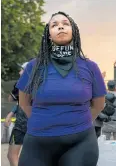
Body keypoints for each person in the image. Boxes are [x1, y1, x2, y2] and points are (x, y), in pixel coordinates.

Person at [16, 11, 106, 166]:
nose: (60, 27)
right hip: (37, 144)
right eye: (54, 25)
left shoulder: (90, 67)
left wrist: (77, 123)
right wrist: (43, 121)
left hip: (80, 142)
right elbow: (24, 102)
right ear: (49, 35)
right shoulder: (33, 67)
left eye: (65, 24)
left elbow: (99, 105)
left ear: (74, 31)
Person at [4, 62, 28, 166]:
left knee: (11, 155)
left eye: (22, 69)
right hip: (36, 123)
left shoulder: (21, 83)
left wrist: (13, 92)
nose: (19, 71)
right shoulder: (42, 82)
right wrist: (11, 113)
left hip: (22, 124)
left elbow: (11, 99)